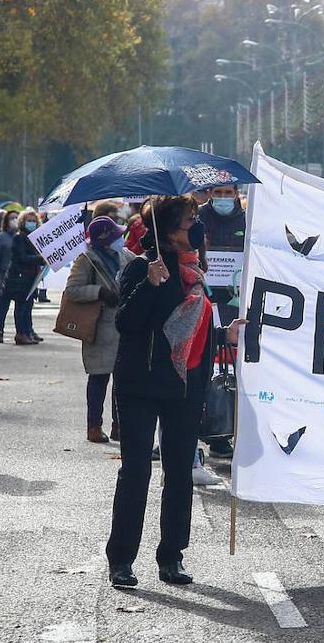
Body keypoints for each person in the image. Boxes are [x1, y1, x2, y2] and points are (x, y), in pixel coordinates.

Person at [106, 195, 244, 588]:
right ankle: (121, 560)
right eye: (189, 221)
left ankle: (172, 557)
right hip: (141, 383)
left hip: (185, 386)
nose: (196, 227)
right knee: (135, 472)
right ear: (167, 229)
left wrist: (224, 334)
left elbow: (191, 335)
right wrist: (149, 285)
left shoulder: (195, 271)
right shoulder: (142, 267)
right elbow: (127, 324)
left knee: (180, 472)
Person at [65, 216, 128, 443]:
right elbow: (72, 290)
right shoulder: (86, 260)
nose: (121, 240)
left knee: (122, 380)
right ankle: (94, 426)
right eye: (117, 236)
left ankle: (119, 426)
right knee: (99, 378)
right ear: (105, 239)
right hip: (99, 327)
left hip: (123, 325)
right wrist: (99, 292)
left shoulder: (124, 255)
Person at [195, 183, 245, 461]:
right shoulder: (198, 217)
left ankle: (222, 434)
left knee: (231, 372)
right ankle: (187, 436)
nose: (223, 198)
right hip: (201, 299)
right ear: (210, 194)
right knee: (199, 370)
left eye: (228, 193)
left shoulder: (248, 220)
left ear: (237, 193)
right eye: (218, 193)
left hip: (234, 303)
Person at [3, 208, 47, 345]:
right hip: (20, 277)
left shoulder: (34, 237)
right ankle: (21, 333)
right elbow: (22, 257)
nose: (32, 223)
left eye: (34, 221)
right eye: (29, 221)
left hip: (31, 277)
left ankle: (28, 331)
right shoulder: (19, 237)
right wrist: (41, 258)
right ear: (23, 221)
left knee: (28, 306)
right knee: (21, 306)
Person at [0, 211, 18, 344]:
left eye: (17, 218)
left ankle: (23, 331)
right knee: (2, 306)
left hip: (18, 277)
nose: (15, 220)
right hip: (3, 276)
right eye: (12, 218)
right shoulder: (1, 237)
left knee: (21, 307)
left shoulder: (21, 237)